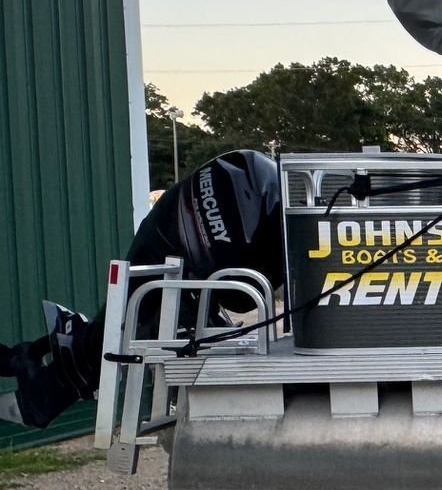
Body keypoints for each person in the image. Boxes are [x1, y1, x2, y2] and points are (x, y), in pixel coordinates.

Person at [0, 150, 285, 429]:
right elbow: (238, 300)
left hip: (172, 257)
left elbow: (239, 299)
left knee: (113, 336)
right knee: (115, 338)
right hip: (173, 261)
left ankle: (37, 365)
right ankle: (37, 378)